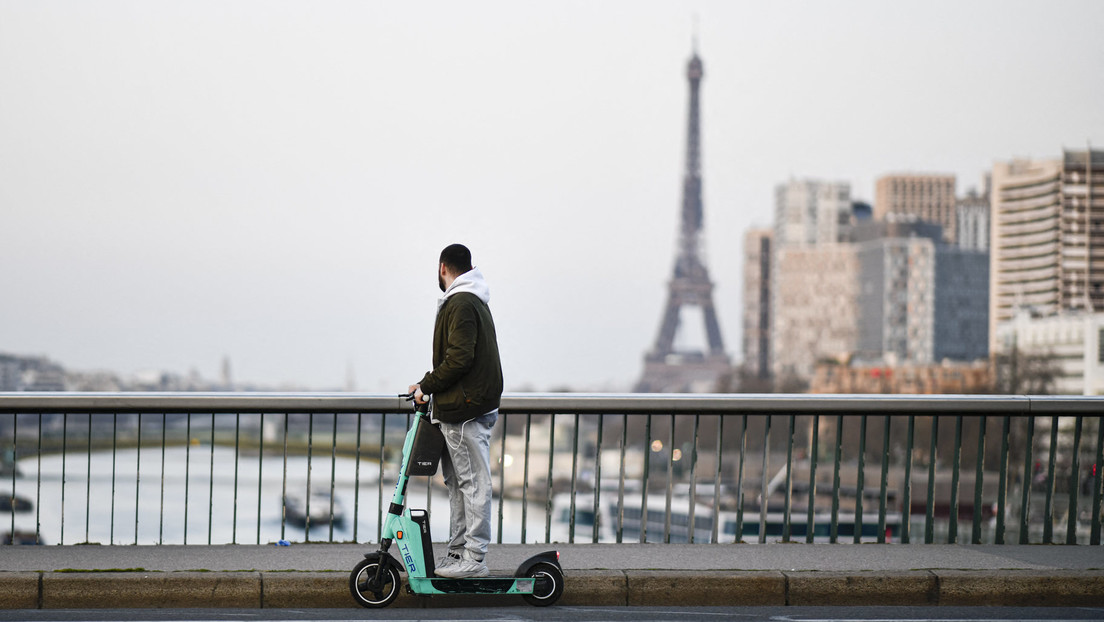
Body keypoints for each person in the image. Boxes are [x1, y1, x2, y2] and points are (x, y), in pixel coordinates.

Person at [408, 243, 503, 579]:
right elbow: (458, 357)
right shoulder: (471, 299)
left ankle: (473, 559)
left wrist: (426, 387)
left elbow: (459, 359)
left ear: (442, 266)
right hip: (463, 405)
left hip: (464, 408)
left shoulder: (461, 302)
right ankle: (458, 553)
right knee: (459, 483)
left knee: (472, 484)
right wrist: (424, 383)